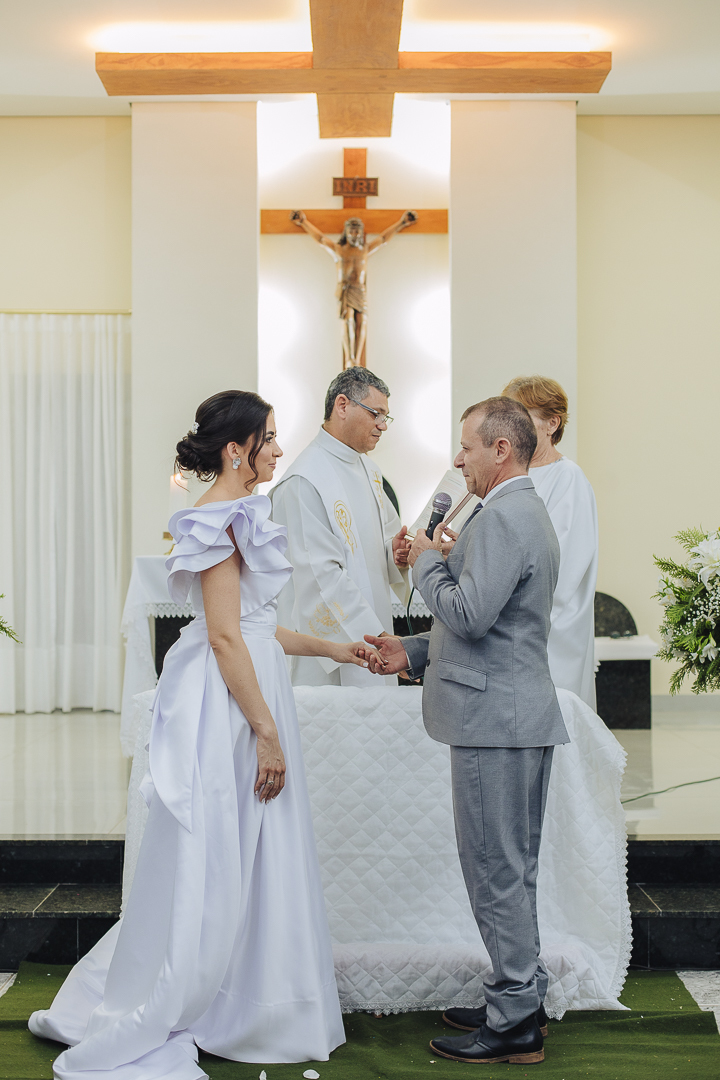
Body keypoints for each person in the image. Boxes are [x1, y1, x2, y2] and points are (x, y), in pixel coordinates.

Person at [29, 391, 379, 1078]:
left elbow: (255, 626)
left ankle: (253, 994)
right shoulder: (219, 518)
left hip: (249, 681)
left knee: (255, 845)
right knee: (227, 847)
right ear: (235, 449)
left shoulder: (244, 512)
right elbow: (224, 638)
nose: (279, 449)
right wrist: (266, 731)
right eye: (269, 438)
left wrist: (333, 648)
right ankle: (227, 1001)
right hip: (229, 703)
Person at [362, 397, 569, 1066]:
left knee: (494, 871)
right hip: (510, 712)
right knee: (511, 867)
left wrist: (424, 560)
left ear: (501, 449)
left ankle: (513, 1020)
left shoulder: (507, 514)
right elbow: (492, 628)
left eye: (468, 448)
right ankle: (521, 997)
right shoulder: (505, 512)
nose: (459, 460)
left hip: (497, 723)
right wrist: (414, 653)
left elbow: (473, 614)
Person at [271, 367, 411, 687]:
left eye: (386, 417)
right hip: (334, 651)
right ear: (343, 406)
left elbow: (380, 546)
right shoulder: (304, 481)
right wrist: (374, 640)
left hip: (374, 634)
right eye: (377, 414)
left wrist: (396, 553)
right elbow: (319, 577)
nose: (382, 426)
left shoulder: (370, 470)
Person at [503, 375, 599, 709]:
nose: (510, 428)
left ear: (551, 423)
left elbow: (564, 560)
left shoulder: (568, 478)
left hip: (548, 626)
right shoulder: (512, 474)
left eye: (521, 418)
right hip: (511, 617)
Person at [290, 210, 417, 367]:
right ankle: (350, 358)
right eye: (351, 230)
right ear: (346, 232)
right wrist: (303, 222)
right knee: (348, 319)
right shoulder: (339, 250)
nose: (354, 233)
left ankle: (356, 358)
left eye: (357, 230)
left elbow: (383, 239)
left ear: (361, 232)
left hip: (360, 290)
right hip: (346, 289)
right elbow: (321, 239)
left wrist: (402, 223)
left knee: (361, 321)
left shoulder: (364, 250)